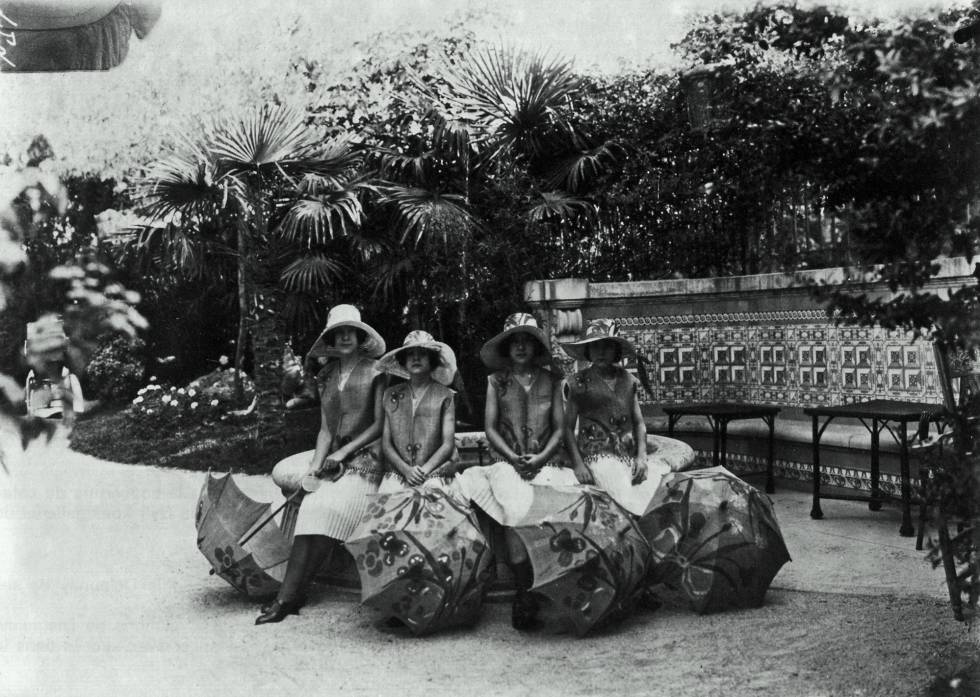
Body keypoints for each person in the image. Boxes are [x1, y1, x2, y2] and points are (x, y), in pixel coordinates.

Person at [256, 305, 387, 625]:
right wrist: (313, 469)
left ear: (359, 335)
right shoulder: (326, 374)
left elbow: (380, 425)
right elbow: (326, 429)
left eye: (349, 331)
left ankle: (290, 593)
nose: (344, 337)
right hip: (333, 462)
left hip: (367, 459)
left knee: (326, 509)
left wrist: (343, 454)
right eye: (337, 332)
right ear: (330, 338)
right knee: (311, 506)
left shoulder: (377, 370)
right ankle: (289, 596)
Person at [454, 312, 579, 630]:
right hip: (506, 462)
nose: (521, 347)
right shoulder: (496, 381)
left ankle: (533, 590)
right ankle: (525, 591)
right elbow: (491, 428)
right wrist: (512, 457)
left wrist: (539, 459)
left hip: (546, 462)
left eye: (528, 341)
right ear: (507, 348)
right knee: (513, 506)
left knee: (552, 505)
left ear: (536, 347)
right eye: (515, 342)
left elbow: (559, 429)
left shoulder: (551, 380)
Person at [561, 318, 668, 517]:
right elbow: (567, 428)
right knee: (625, 499)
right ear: (588, 351)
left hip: (628, 455)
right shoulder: (578, 383)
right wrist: (578, 464)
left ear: (616, 350)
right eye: (595, 347)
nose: (600, 352)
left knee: (657, 490)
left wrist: (642, 457)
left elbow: (639, 423)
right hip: (598, 455)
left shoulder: (628, 381)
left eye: (607, 346)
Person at [375, 330, 459, 493]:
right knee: (389, 505)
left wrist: (425, 471)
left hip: (434, 471)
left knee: (431, 501)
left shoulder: (445, 395)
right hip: (399, 471)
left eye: (422, 353)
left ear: (432, 359)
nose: (415, 358)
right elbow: (386, 443)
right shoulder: (390, 394)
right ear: (403, 361)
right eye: (410, 354)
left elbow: (447, 444)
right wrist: (406, 470)